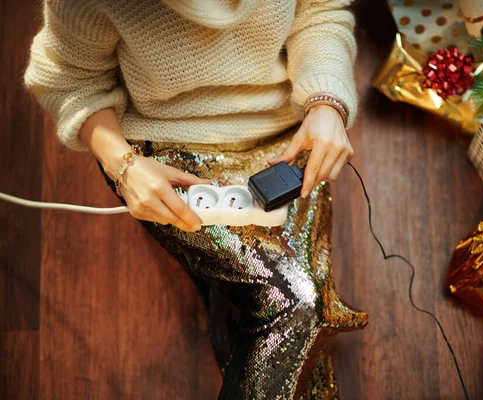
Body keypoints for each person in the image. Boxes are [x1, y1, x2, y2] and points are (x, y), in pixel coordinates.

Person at [24, 0, 368, 398]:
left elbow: (321, 12)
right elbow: (69, 79)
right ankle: (229, 290)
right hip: (169, 150)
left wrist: (326, 103)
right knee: (297, 303)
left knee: (283, 309)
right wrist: (125, 166)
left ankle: (225, 292)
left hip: (289, 142)